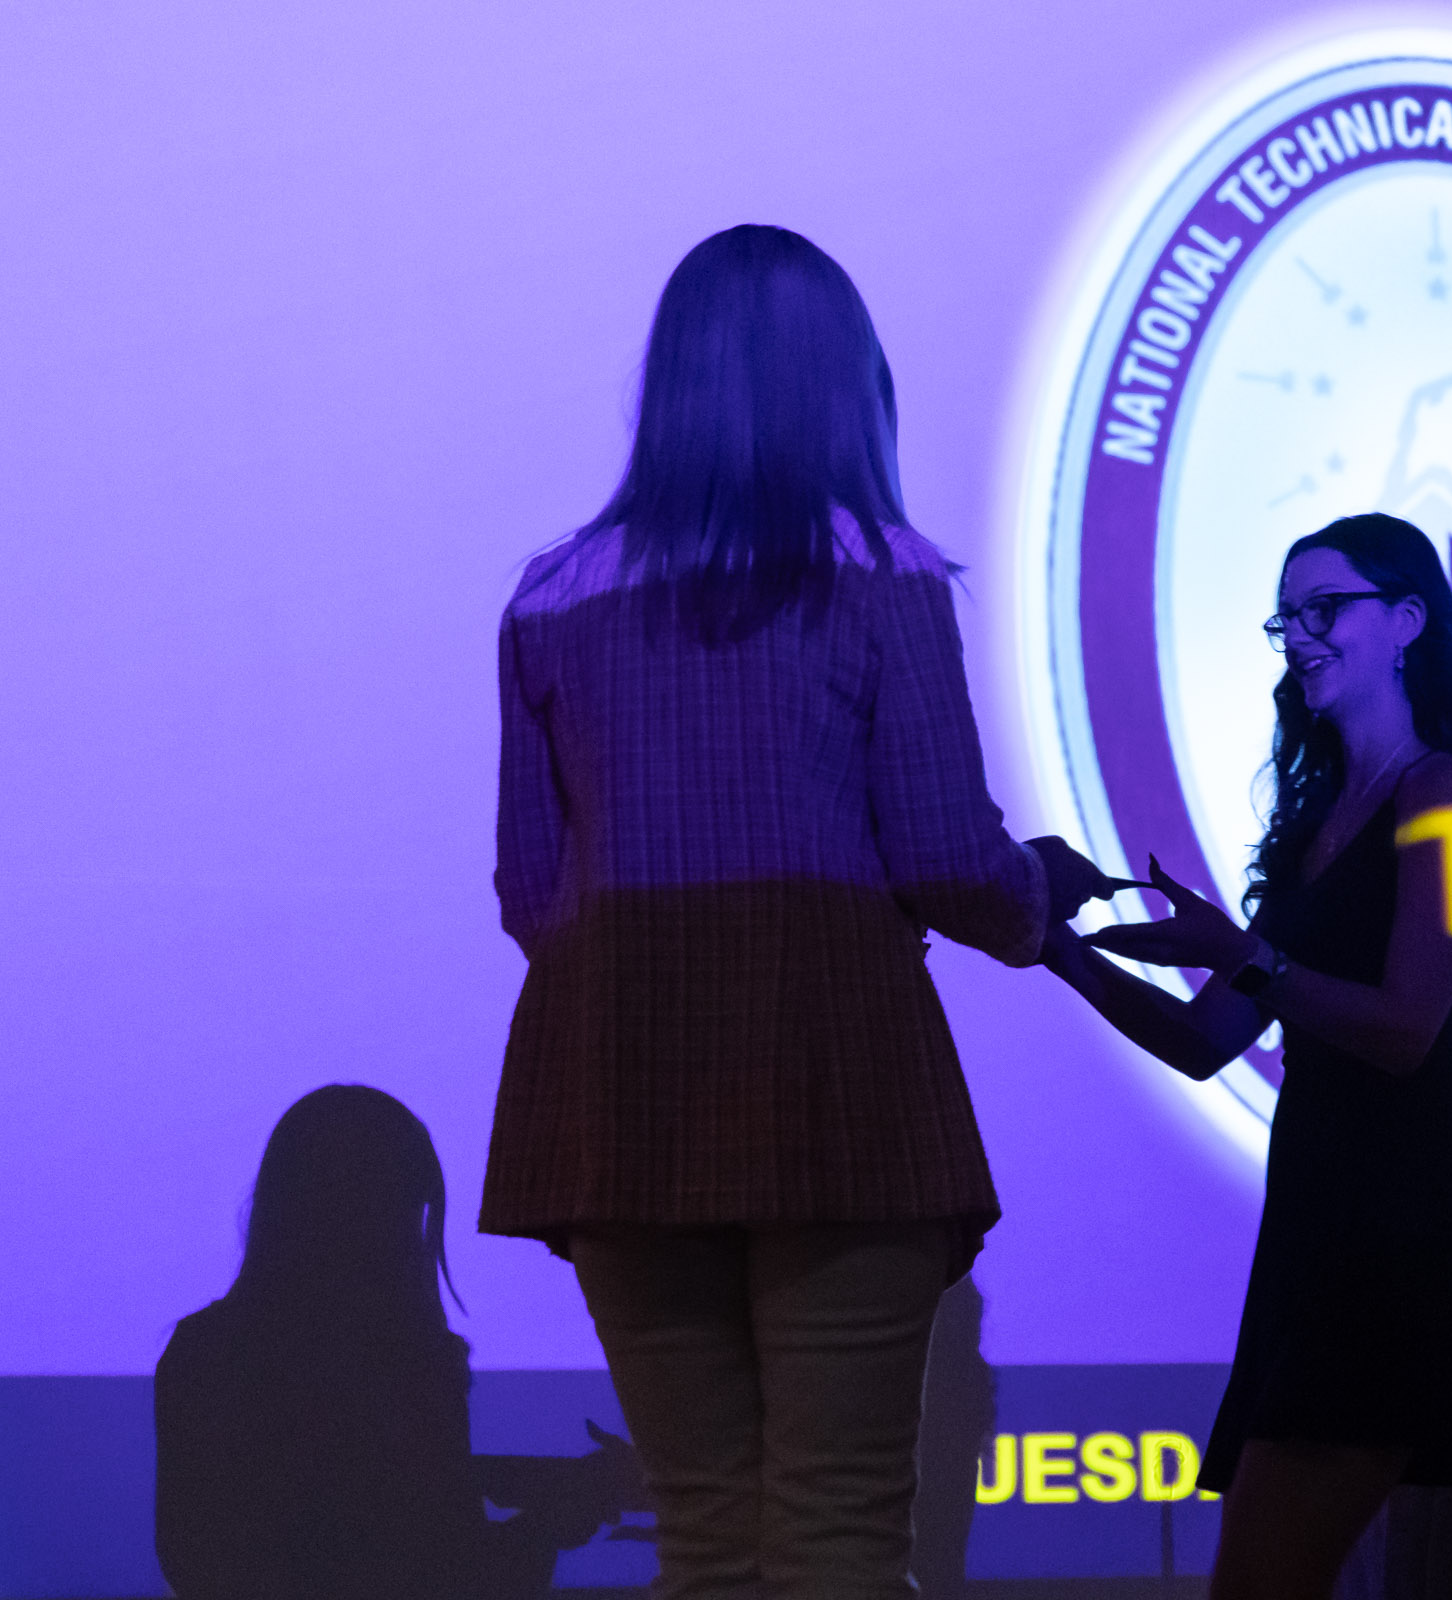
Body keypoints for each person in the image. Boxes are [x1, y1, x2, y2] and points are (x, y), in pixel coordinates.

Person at [478, 224, 1115, 1598]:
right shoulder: (878, 571)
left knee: (705, 1537)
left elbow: (532, 890)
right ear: (842, 385)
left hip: (614, 1082)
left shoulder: (547, 599)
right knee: (836, 1533)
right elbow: (946, 851)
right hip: (831, 1066)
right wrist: (1036, 901)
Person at [1041, 512, 1452, 1600]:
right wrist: (1055, 948)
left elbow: (1413, 1027)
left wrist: (1251, 955)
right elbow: (1201, 1037)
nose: (1300, 637)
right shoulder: (1317, 821)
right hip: (1325, 1228)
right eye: (1288, 618)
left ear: (1409, 618)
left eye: (1327, 609)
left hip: (1401, 1230)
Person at [155, 1085, 634, 1600]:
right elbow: (445, 1573)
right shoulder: (411, 1362)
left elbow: (228, 1545)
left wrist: (508, 1484)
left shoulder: (200, 1349)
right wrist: (553, 1518)